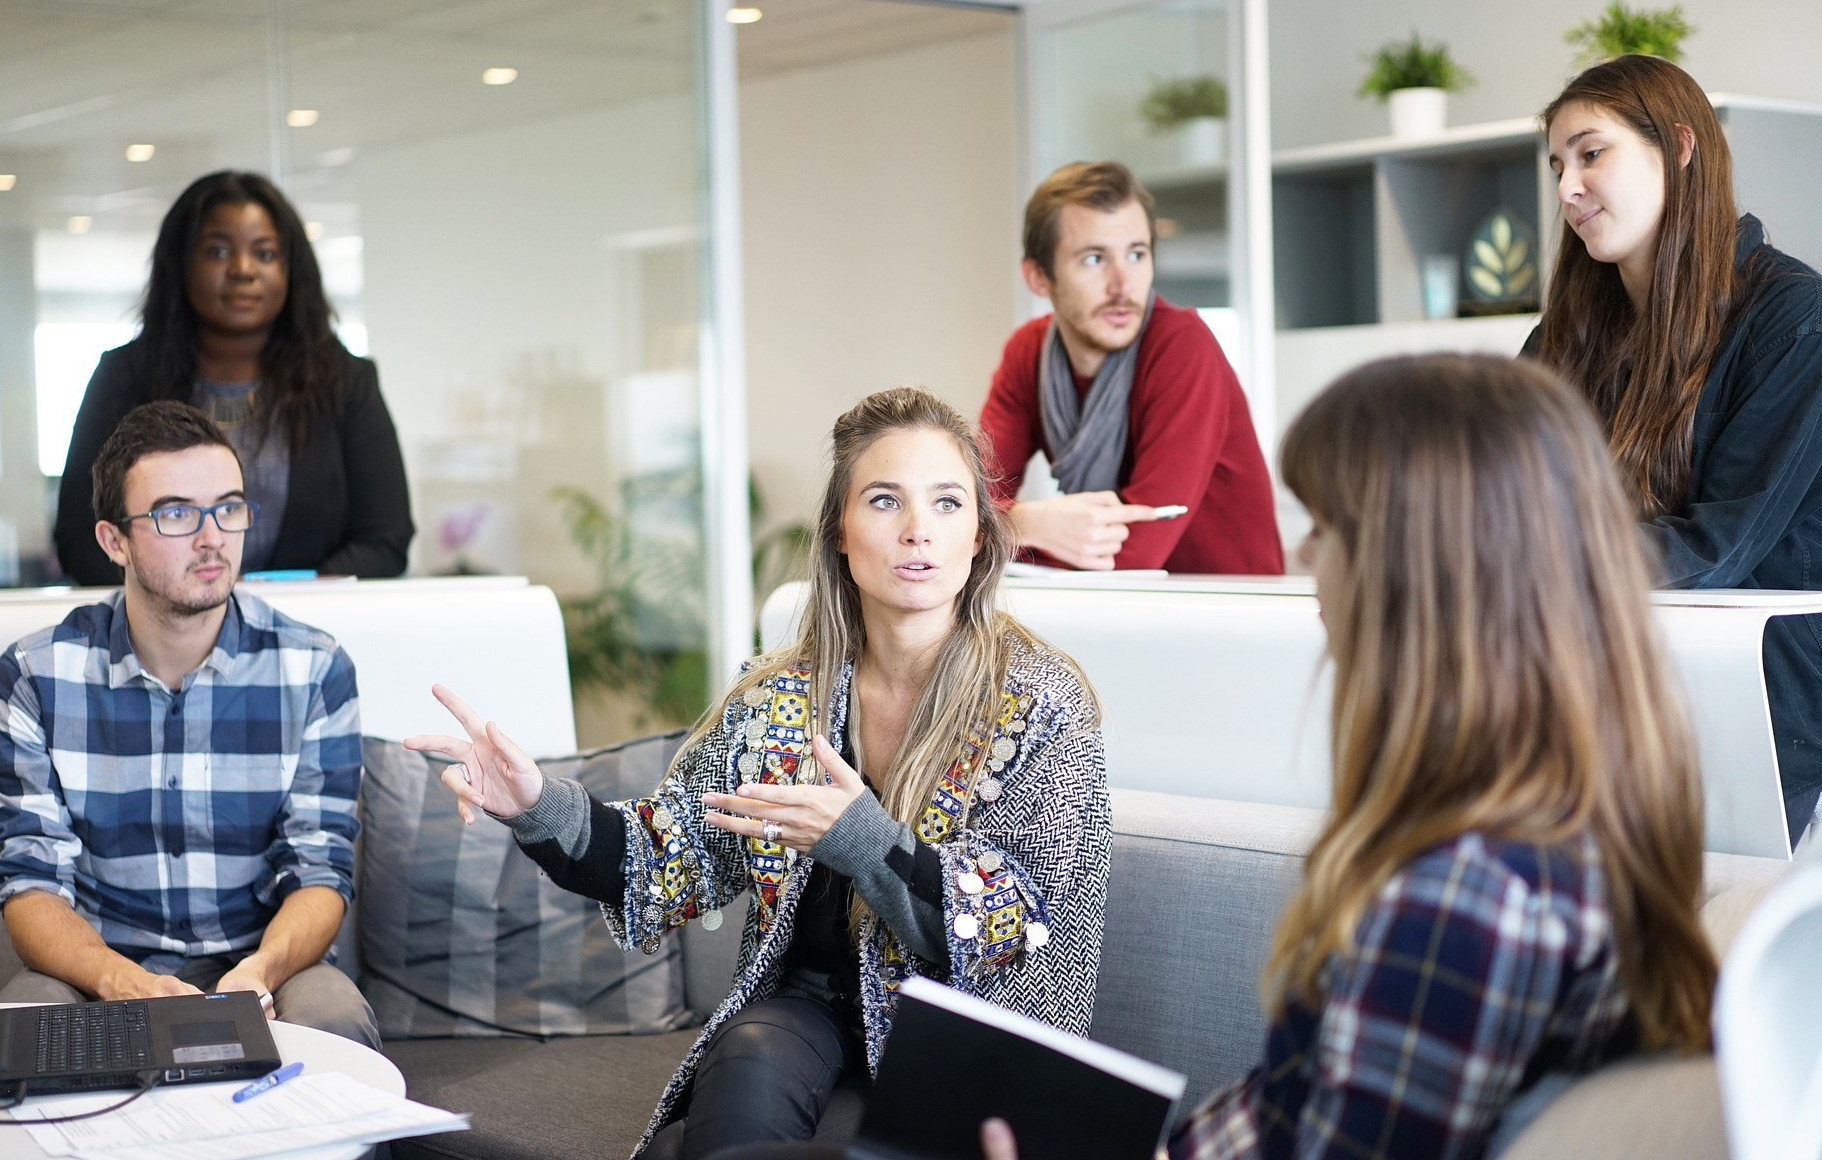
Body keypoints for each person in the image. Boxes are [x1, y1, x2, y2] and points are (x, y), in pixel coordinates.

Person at [957, 355, 1719, 1160]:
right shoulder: (1559, 820)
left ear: (1415, 571)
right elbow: (1293, 1113)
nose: (1306, 557)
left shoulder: (1463, 902)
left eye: (1327, 527)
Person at [415, 387, 1111, 1158]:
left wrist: (860, 839)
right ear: (840, 534)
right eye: (885, 500)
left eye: (947, 503)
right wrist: (536, 804)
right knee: (741, 1069)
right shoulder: (781, 695)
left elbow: (1013, 919)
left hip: (968, 1026)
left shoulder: (1042, 702)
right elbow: (667, 856)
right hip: (808, 1006)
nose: (918, 530)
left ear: (979, 535)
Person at [0, 401, 376, 1048]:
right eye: (175, 514)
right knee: (19, 1027)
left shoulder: (313, 669)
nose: (212, 537)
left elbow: (321, 871)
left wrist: (258, 973)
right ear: (115, 541)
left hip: (264, 963)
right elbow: (29, 884)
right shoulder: (34, 676)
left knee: (333, 1019)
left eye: (228, 507)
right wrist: (122, 982)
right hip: (99, 968)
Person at [1525, 54, 1822, 842]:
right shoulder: (1563, 338)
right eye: (1558, 165)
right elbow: (1500, 495)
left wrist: (1527, 563)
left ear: (1680, 148)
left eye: (1592, 153)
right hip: (1601, 678)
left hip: (1760, 701)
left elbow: (1719, 544)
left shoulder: (1793, 317)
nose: (1567, 188)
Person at [54, 170, 413, 586]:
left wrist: (275, 600)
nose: (243, 270)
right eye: (218, 252)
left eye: (265, 254)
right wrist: (190, 595)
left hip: (308, 632)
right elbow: (81, 542)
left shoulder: (346, 382)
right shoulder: (123, 378)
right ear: (181, 263)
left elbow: (385, 540)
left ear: (291, 270)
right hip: (162, 639)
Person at [978, 160, 1281, 574]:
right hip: (1117, 611)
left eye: (1136, 254)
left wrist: (1001, 530)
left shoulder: (1182, 346)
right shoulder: (1027, 353)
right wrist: (1026, 522)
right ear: (1038, 278)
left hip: (1227, 614)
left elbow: (1135, 552)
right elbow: (964, 504)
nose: (1123, 285)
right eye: (1094, 259)